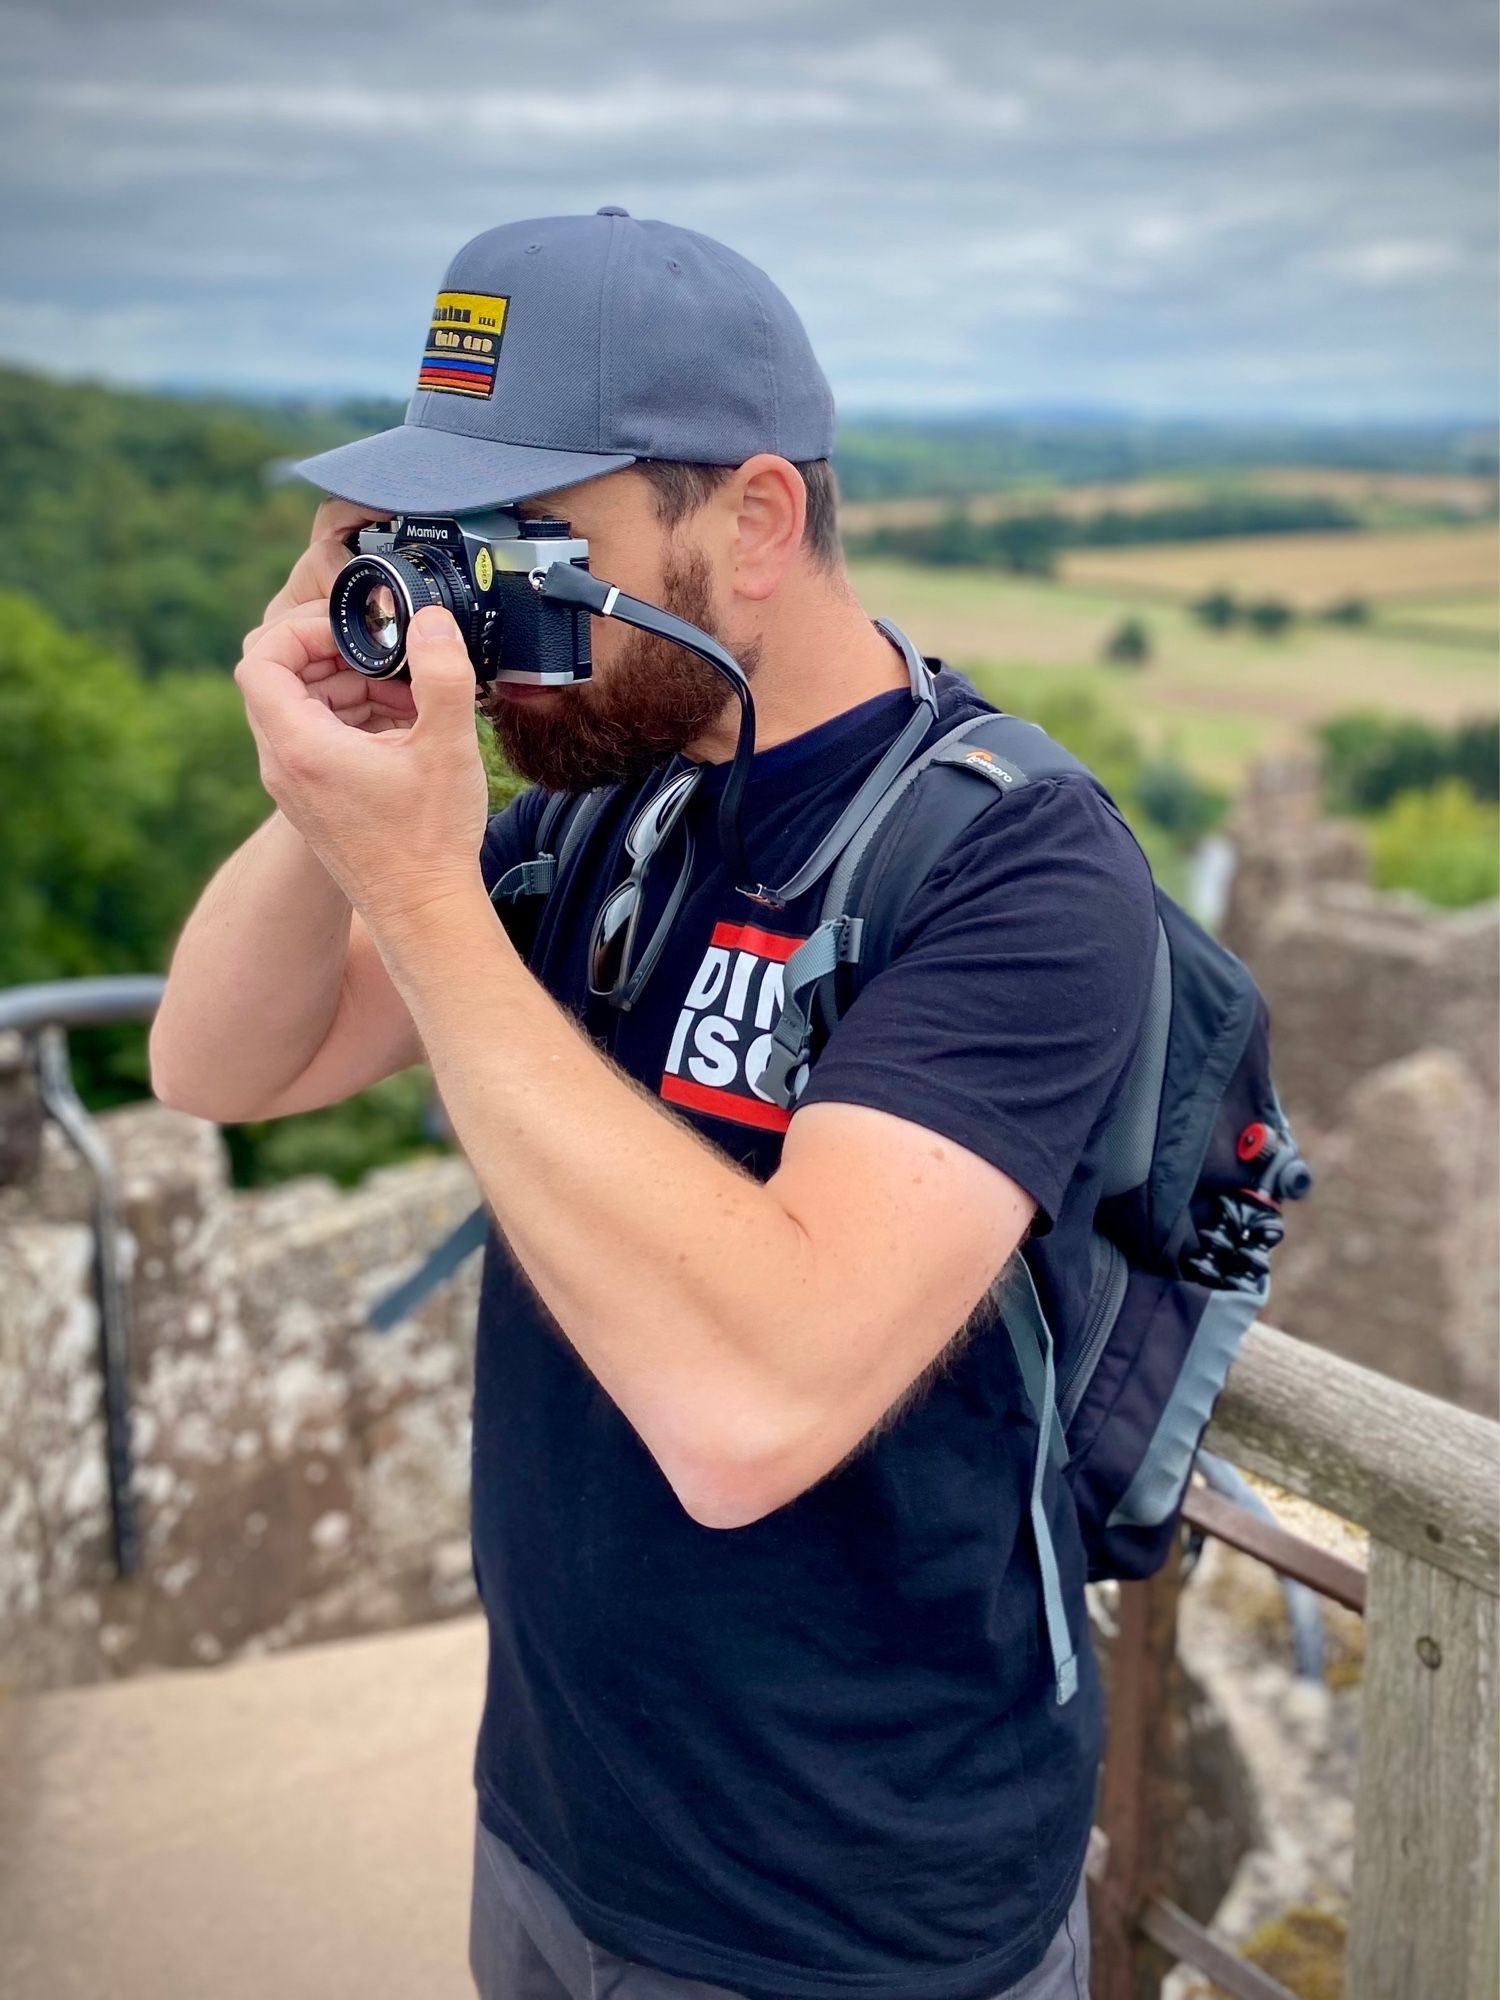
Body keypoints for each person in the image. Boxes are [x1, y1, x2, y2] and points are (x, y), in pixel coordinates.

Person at [149, 209, 1159, 2000]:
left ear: (754, 521)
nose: (487, 601)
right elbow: (225, 1066)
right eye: (446, 543)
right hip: (553, 1816)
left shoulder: (1011, 861)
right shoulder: (607, 786)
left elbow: (752, 1410)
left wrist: (436, 896)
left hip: (850, 1910)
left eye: (537, 541)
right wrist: (334, 782)